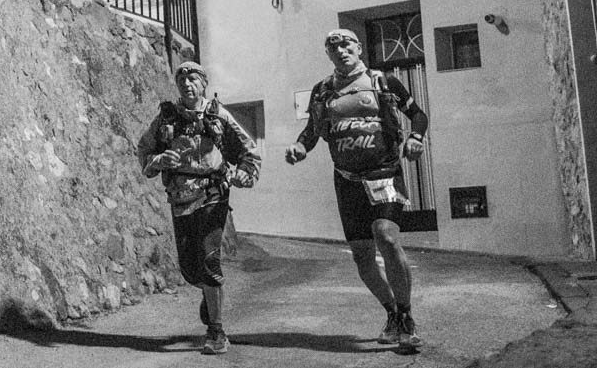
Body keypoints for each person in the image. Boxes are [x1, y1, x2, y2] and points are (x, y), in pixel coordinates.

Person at [286, 28, 429, 351]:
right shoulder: (322, 91)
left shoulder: (383, 82)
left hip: (384, 174)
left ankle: (407, 316)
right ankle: (392, 313)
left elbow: (418, 116)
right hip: (347, 180)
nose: (340, 50)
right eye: (333, 46)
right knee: (363, 257)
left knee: (386, 237)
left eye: (346, 44)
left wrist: (416, 138)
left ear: (359, 48)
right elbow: (312, 131)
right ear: (328, 54)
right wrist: (300, 147)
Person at [137, 61, 261, 356]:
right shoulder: (166, 118)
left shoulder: (218, 115)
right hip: (180, 196)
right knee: (190, 269)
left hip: (213, 193)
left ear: (203, 84)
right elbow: (144, 150)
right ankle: (209, 292)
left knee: (208, 261)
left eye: (193, 79)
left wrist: (246, 174)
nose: (187, 84)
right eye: (182, 80)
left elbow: (248, 149)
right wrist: (158, 161)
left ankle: (216, 332)